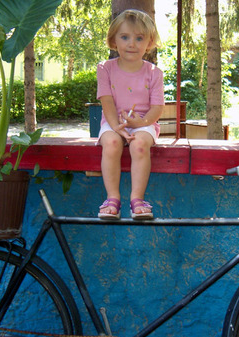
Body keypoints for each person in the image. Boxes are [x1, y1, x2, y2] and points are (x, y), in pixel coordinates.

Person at [96, 9, 164, 220]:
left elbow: (157, 107)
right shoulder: (105, 68)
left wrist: (141, 122)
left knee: (140, 144)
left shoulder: (154, 73)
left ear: (149, 42)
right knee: (112, 144)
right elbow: (106, 99)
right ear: (114, 40)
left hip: (144, 122)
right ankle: (112, 199)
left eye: (139, 38)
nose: (131, 44)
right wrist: (116, 126)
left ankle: (137, 199)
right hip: (113, 120)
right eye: (124, 37)